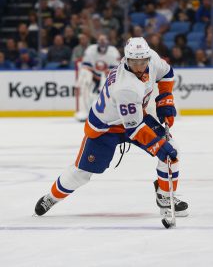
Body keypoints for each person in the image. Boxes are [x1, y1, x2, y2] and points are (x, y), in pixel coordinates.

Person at [34, 37, 188, 218]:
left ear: (148, 57)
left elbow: (167, 73)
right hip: (105, 128)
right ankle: (51, 197)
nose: (139, 66)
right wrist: (158, 146)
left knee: (173, 150)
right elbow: (135, 130)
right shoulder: (126, 87)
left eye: (142, 61)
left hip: (136, 117)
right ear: (126, 60)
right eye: (134, 62)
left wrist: (165, 98)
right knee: (82, 173)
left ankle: (165, 195)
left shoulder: (152, 59)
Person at [74, 33, 121, 122]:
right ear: (97, 42)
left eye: (104, 40)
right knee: (84, 75)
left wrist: (103, 77)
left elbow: (115, 70)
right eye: (100, 40)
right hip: (93, 75)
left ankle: (106, 112)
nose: (102, 43)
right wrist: (94, 76)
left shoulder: (113, 51)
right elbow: (85, 66)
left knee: (106, 79)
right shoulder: (90, 50)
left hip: (107, 76)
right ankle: (84, 112)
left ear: (108, 42)